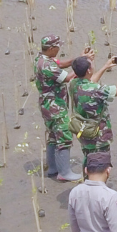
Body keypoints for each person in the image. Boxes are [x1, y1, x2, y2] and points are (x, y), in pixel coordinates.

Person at [35, 35, 86, 182]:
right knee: (64, 136)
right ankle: (64, 173)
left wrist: (79, 58)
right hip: (54, 106)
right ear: (51, 48)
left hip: (46, 104)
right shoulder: (48, 66)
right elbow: (68, 78)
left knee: (53, 136)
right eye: (57, 47)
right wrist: (82, 67)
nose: (59, 49)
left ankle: (53, 168)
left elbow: (61, 64)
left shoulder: (41, 59)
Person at [69, 55, 117, 177]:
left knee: (88, 157)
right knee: (99, 163)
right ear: (88, 70)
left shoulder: (73, 83)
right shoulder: (95, 90)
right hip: (98, 135)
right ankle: (96, 187)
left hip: (82, 130)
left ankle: (87, 182)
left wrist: (105, 67)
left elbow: (90, 82)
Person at [67, 152, 117, 232]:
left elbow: (74, 227)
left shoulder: (74, 192)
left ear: (86, 170)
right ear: (108, 170)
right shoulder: (111, 197)